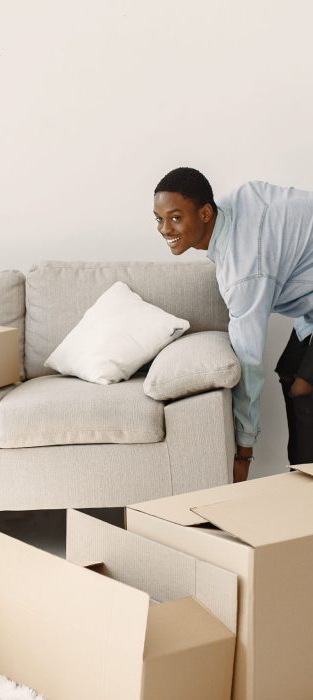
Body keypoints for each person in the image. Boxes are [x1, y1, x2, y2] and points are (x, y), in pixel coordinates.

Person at [153, 167, 313, 482]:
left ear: (205, 213)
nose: (165, 229)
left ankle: (305, 492)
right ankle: (301, 481)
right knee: (289, 373)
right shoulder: (230, 209)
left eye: (175, 217)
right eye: (159, 219)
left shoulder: (243, 273)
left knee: (304, 387)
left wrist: (243, 450)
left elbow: (249, 363)